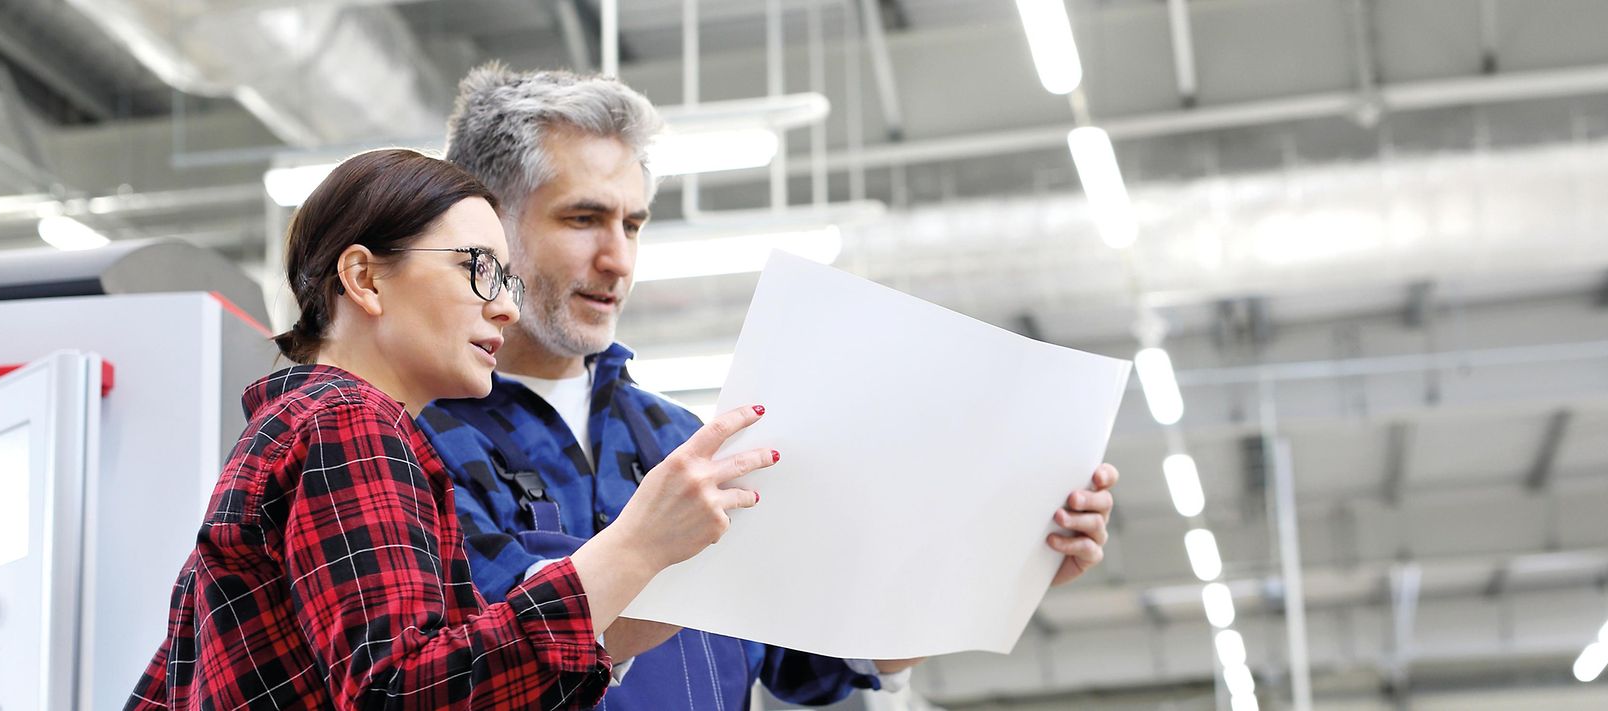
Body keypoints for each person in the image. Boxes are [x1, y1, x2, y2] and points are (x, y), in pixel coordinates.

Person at [417, 66, 1122, 709]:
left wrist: (1009, 566)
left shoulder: (686, 442)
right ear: (488, 227)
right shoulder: (411, 439)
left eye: (632, 223)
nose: (619, 259)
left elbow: (818, 657)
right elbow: (480, 657)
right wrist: (669, 559)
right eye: (584, 218)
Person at [128, 149, 781, 709]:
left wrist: (629, 609)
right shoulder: (349, 421)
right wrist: (633, 548)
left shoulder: (309, 425)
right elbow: (402, 694)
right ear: (364, 278)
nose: (504, 303)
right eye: (478, 268)